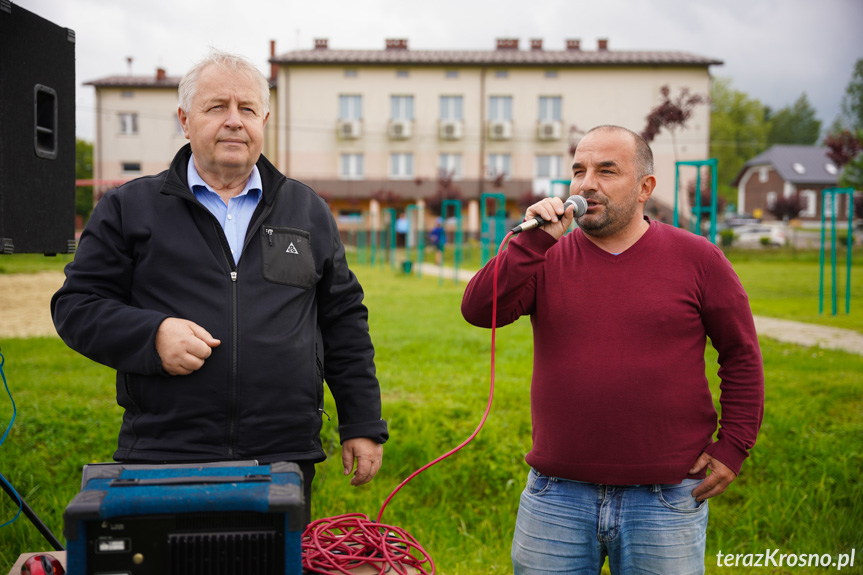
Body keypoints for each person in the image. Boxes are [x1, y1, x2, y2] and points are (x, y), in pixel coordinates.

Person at [51, 50, 388, 526]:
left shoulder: (306, 209)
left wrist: (362, 422)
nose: (234, 121)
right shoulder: (130, 207)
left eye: (247, 109)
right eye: (217, 108)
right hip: (166, 452)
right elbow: (76, 307)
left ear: (264, 120)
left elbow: (343, 319)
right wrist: (152, 337)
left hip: (283, 455)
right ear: (185, 121)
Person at [461, 125, 763, 574]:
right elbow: (479, 308)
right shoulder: (544, 256)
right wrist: (533, 241)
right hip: (556, 496)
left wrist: (734, 446)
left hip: (665, 496)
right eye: (578, 171)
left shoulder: (698, 258)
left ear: (645, 188)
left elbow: (740, 354)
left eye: (606, 170)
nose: (587, 184)